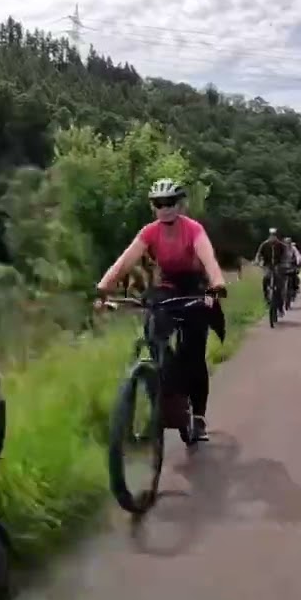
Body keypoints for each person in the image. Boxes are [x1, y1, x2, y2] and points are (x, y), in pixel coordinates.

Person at [96, 178, 227, 441]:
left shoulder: (193, 229)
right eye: (159, 204)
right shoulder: (149, 232)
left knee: (194, 354)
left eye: (170, 203)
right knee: (155, 328)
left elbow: (209, 259)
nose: (165, 208)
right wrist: (103, 288)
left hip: (194, 287)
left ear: (180, 205)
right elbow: (124, 262)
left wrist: (217, 285)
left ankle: (198, 417)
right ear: (153, 207)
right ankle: (163, 390)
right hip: (167, 285)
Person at [254, 227, 290, 304]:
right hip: (268, 265)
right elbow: (259, 254)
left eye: (274, 235)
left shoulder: (281, 245)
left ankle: (280, 300)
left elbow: (286, 255)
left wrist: (286, 262)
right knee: (265, 279)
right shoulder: (264, 244)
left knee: (280, 281)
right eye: (271, 235)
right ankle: (266, 296)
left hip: (278, 265)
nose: (273, 236)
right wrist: (257, 261)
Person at [283, 236, 301, 301]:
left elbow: (298, 255)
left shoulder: (293, 248)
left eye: (289, 242)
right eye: (286, 242)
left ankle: (296, 287)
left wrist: (299, 262)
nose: (287, 244)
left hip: (292, 264)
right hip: (284, 265)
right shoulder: (282, 248)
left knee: (295, 275)